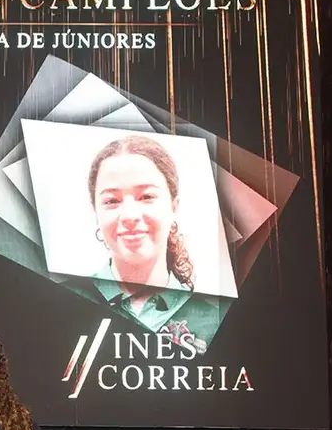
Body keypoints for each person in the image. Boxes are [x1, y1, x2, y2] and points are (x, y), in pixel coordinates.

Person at [65, 134, 221, 351]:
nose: (129, 215)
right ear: (96, 211)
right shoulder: (63, 304)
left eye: (147, 197)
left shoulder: (214, 322)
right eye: (112, 200)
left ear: (174, 206)